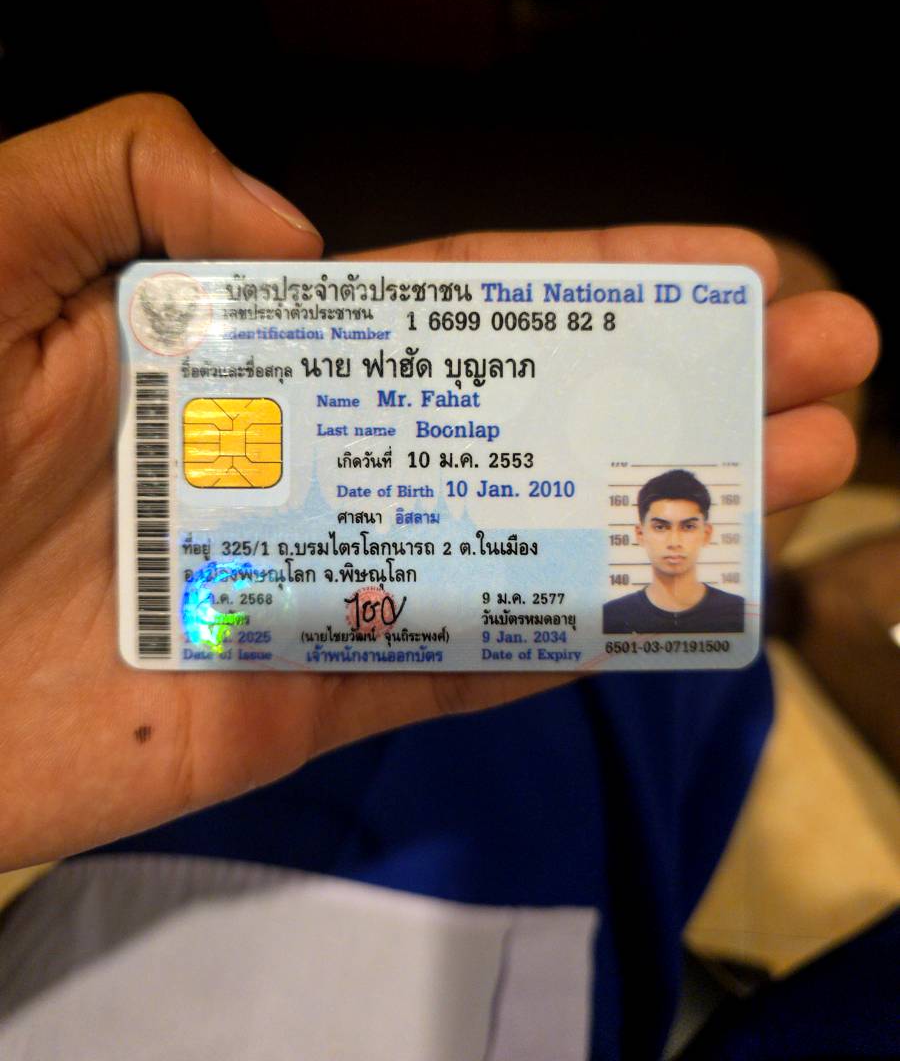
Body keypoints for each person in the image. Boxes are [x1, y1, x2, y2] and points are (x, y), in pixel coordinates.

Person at [0, 95, 882, 1059]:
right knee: (761, 380)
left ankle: (778, 599)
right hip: (466, 882)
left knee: (763, 371)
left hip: (153, 896)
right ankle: (785, 601)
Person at [603, 469, 745, 633]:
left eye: (688, 527)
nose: (674, 542)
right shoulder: (610, 617)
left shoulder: (740, 613)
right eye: (660, 527)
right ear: (640, 534)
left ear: (706, 534)